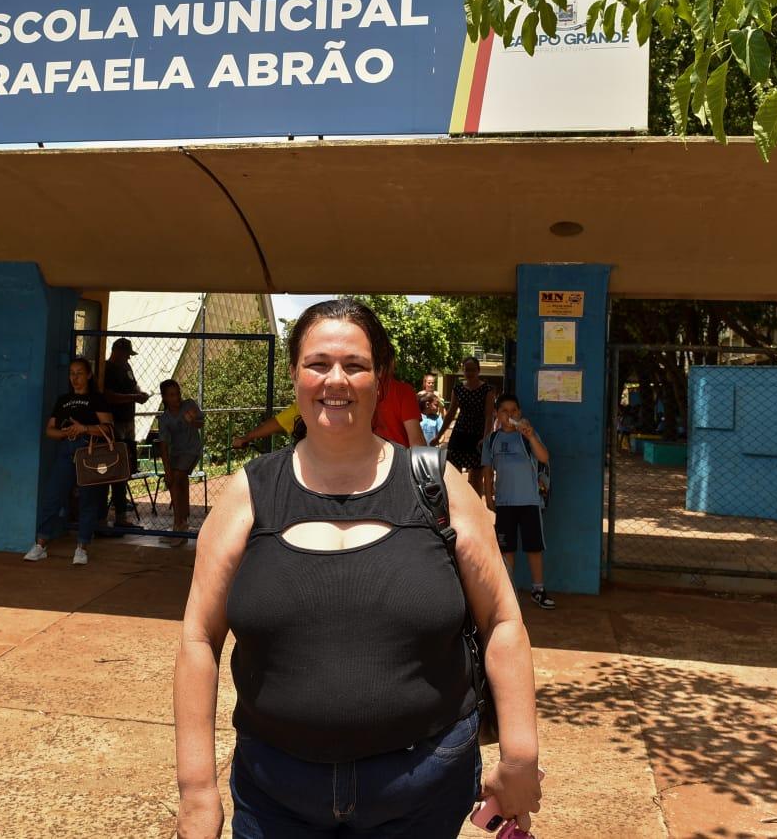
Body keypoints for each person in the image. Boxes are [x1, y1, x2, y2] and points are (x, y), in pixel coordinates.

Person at [174, 299, 542, 839]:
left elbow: (503, 623)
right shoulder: (250, 493)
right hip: (277, 791)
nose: (335, 380)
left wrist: (520, 756)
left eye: (355, 364)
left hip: (424, 787)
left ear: (381, 380)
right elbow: (197, 639)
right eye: (318, 363)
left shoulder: (439, 487)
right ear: (296, 375)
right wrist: (196, 790)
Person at [24, 358, 113, 566]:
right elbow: (49, 430)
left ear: (89, 375)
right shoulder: (63, 400)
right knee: (52, 498)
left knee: (87, 501)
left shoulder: (97, 399)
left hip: (88, 453)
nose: (75, 378)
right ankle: (41, 544)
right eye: (72, 373)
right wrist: (64, 432)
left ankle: (82, 548)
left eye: (79, 373)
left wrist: (84, 429)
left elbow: (109, 429)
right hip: (66, 451)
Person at [482, 394, 556, 610]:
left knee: (534, 548)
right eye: (504, 410)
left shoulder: (526, 436)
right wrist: (488, 498)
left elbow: (544, 457)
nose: (509, 414)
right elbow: (487, 471)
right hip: (504, 504)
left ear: (520, 412)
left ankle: (538, 589)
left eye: (514, 410)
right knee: (507, 550)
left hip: (530, 502)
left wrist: (532, 436)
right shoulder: (492, 440)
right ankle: (509, 592)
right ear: (497, 414)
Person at [103, 337, 148, 529]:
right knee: (115, 466)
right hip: (114, 422)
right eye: (126, 355)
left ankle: (119, 506)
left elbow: (133, 386)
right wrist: (133, 397)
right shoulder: (107, 369)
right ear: (117, 352)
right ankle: (116, 511)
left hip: (128, 421)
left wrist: (140, 394)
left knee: (127, 465)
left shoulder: (126, 368)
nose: (128, 359)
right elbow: (108, 396)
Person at [157, 379, 204, 538]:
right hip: (176, 453)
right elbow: (163, 445)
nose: (176, 398)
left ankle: (178, 523)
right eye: (171, 395)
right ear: (164, 398)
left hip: (191, 450)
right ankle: (183, 518)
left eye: (177, 394)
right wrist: (167, 470)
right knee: (175, 481)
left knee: (176, 478)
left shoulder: (189, 405)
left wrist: (194, 421)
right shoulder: (164, 419)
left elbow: (201, 423)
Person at [438, 356, 495, 481]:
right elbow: (451, 414)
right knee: (453, 474)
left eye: (472, 370)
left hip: (478, 436)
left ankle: (475, 500)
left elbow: (489, 416)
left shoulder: (488, 390)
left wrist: (485, 438)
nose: (469, 373)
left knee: (476, 477)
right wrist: (439, 435)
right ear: (463, 371)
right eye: (466, 370)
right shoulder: (458, 389)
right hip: (459, 434)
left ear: (478, 371)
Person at [373, 355, 426, 447]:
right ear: (392, 363)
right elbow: (417, 442)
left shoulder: (357, 391)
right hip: (397, 457)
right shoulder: (404, 391)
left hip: (363, 457)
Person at [231, 402, 302, 450]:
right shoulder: (302, 407)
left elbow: (275, 424)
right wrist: (246, 438)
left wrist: (246, 438)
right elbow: (277, 423)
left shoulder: (304, 406)